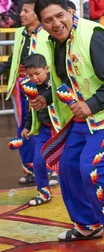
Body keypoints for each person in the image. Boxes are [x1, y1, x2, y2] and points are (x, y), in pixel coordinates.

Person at [34, 0, 104, 252]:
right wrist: (45, 98)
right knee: (68, 166)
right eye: (48, 20)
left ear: (70, 11)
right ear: (42, 25)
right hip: (85, 115)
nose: (56, 23)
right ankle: (88, 224)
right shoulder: (52, 42)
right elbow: (66, 80)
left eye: (60, 16)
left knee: (92, 167)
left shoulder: (92, 35)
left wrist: (92, 104)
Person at [0, 0, 51, 186]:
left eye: (26, 11)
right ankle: (30, 170)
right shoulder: (20, 33)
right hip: (20, 87)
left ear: (37, 14)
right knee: (24, 127)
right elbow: (14, 58)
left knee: (45, 125)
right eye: (21, 11)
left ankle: (48, 168)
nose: (21, 14)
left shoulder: (48, 33)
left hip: (42, 86)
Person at [20, 54, 57, 206]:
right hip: (44, 128)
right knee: (38, 161)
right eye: (30, 75)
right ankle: (44, 192)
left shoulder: (56, 83)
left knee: (70, 163)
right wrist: (27, 126)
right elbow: (32, 110)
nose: (34, 78)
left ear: (46, 69)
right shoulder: (31, 88)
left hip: (60, 128)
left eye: (37, 73)